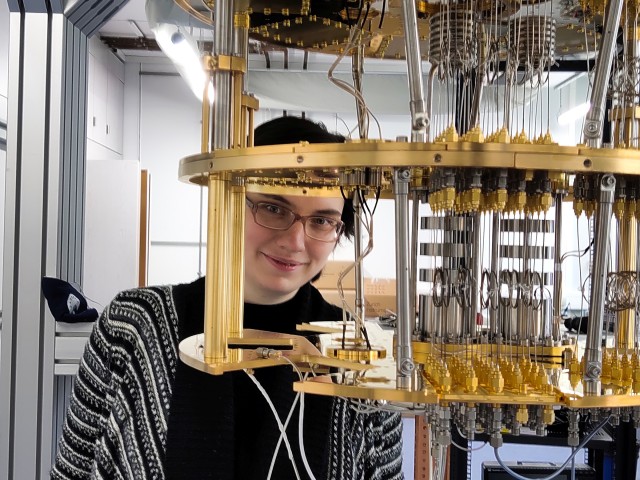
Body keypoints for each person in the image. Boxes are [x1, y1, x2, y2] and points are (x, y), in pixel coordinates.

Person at [50, 116, 404, 480]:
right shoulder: (133, 326)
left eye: (322, 221)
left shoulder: (363, 355)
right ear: (228, 200)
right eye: (273, 207)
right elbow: (71, 471)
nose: (296, 242)